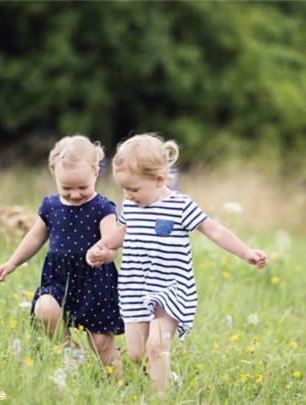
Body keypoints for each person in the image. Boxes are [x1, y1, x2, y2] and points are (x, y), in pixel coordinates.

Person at [86, 133, 267, 394]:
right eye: (123, 188)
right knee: (137, 354)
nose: (128, 195)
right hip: (135, 285)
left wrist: (246, 252)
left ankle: (162, 396)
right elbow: (125, 231)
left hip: (171, 287)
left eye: (134, 189)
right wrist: (103, 247)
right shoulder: (132, 204)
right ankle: (163, 374)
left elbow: (214, 230)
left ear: (159, 180)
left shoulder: (181, 206)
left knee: (157, 347)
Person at [0, 135, 124, 376]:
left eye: (82, 187)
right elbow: (35, 238)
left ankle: (117, 383)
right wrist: (13, 262)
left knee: (101, 344)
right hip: (59, 279)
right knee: (44, 308)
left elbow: (113, 244)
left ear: (96, 173)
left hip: (94, 281)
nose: (75, 195)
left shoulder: (103, 208)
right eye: (66, 188)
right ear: (54, 176)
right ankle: (69, 352)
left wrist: (104, 253)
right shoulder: (50, 207)